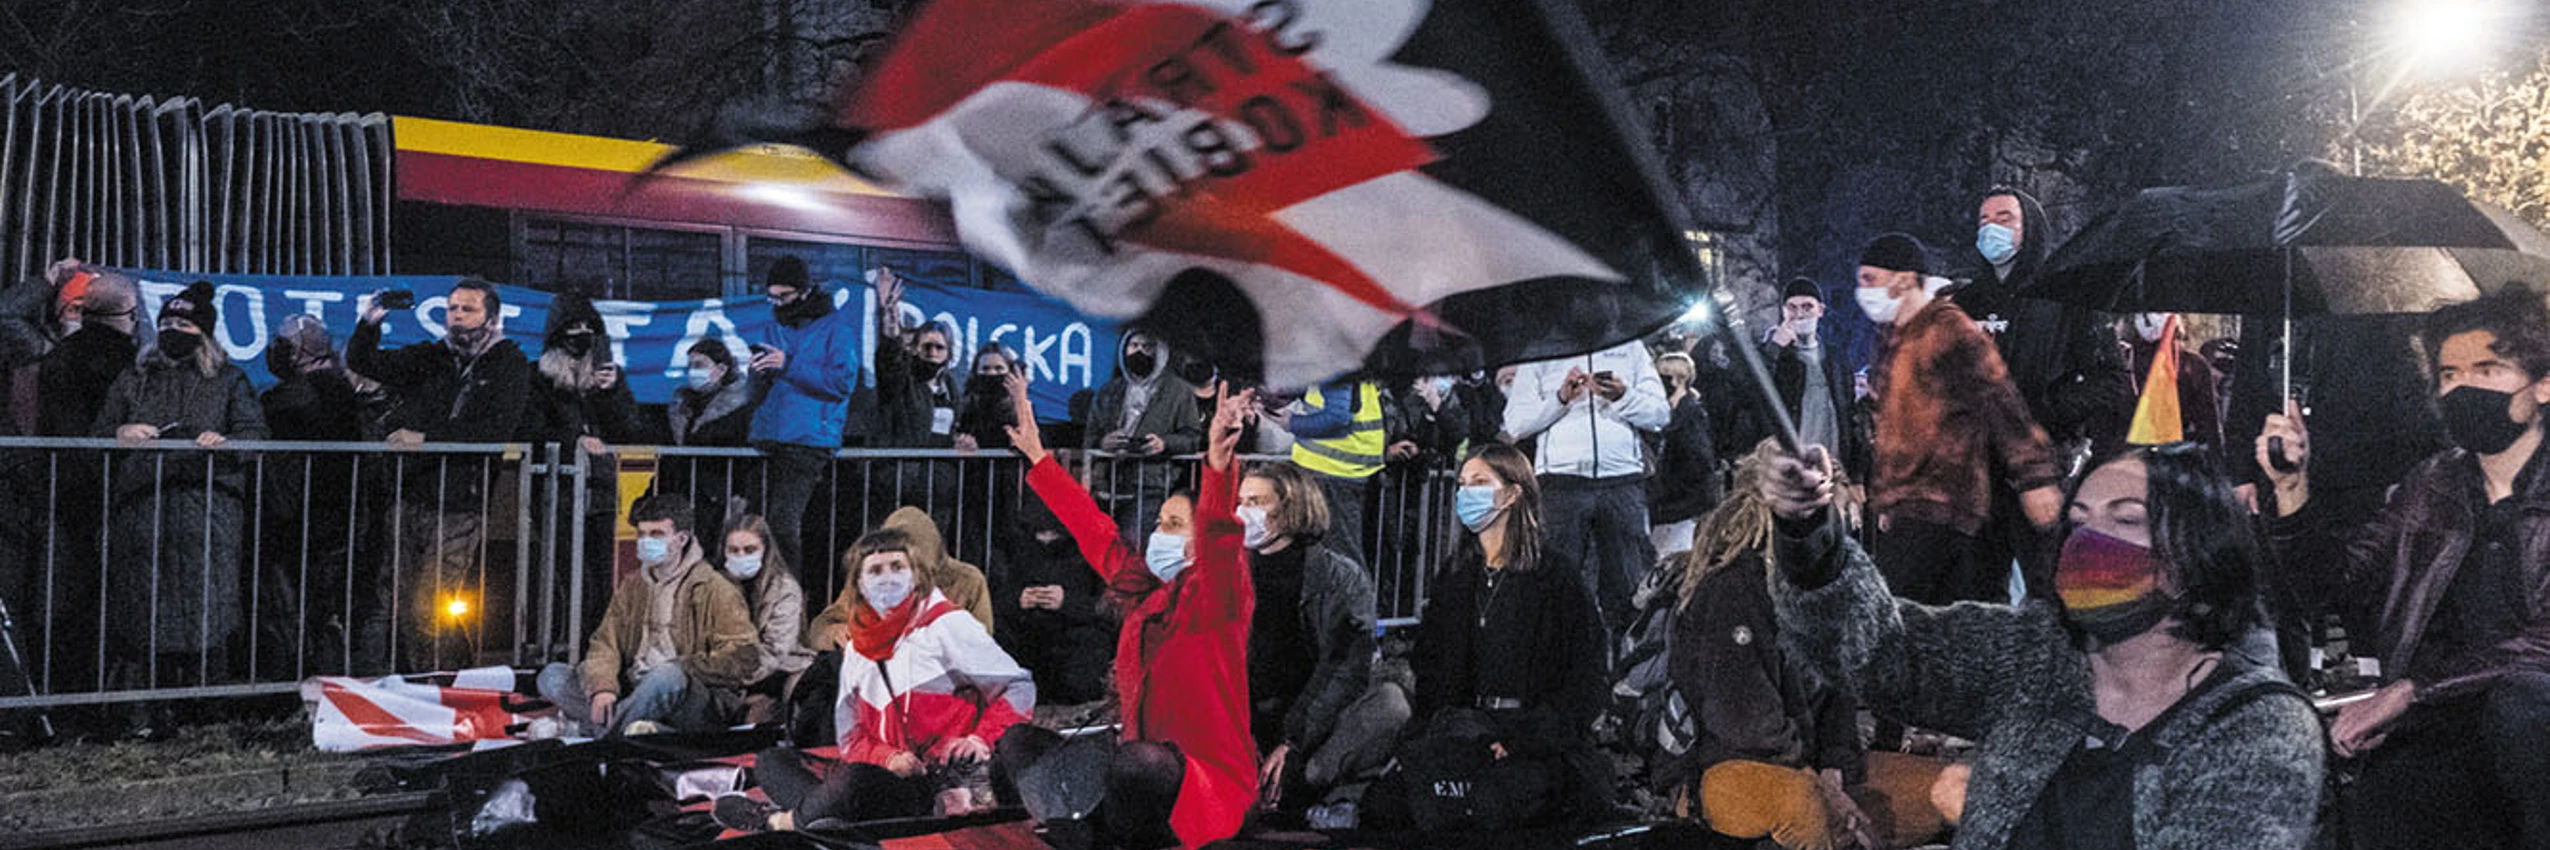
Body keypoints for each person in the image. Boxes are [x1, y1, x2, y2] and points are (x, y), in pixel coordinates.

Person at [1762, 440, 2324, 849]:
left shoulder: (2259, 725)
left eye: (2125, 520)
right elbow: (1883, 652)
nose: (2090, 542)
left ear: (2197, 550)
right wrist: (1810, 536)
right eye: (2078, 523)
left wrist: (1983, 810)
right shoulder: (2036, 653)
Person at [2257, 286, 2550, 850]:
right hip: (2436, 727)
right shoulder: (2433, 484)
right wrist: (2292, 489)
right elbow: (2333, 587)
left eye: (2487, 369)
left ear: (2541, 385)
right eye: (2448, 374)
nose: (2463, 387)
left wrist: (2412, 691)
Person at [1007, 373, 1259, 848]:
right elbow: (1095, 530)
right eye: (1160, 522)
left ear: (1197, 539)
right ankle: (1083, 828)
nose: (1160, 533)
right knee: (1020, 743)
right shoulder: (1143, 589)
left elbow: (1222, 541)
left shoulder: (1220, 594)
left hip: (1205, 785)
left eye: (1175, 524)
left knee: (1139, 762)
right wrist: (1040, 459)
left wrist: (1219, 465)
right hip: (1137, 777)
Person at [1673, 443, 1913, 850]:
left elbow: (1839, 698)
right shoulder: (1732, 587)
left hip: (1812, 765)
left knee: (1951, 787)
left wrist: (1835, 767)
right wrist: (1817, 781)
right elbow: (1745, 723)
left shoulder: (1821, 589)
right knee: (1804, 806)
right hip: (1729, 766)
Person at [717, 526, 1036, 831]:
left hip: (943, 782)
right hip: (890, 778)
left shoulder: (948, 625)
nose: (888, 579)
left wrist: (978, 739)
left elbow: (1019, 687)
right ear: (858, 582)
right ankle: (832, 816)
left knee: (853, 783)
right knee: (772, 761)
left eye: (897, 567)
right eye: (876, 570)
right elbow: (851, 737)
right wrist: (889, 757)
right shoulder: (857, 646)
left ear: (916, 574)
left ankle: (783, 822)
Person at [1366, 444, 1610, 833]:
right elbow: (1430, 666)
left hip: (1531, 738)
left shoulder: (1556, 577)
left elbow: (1585, 676)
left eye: (1480, 482)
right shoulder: (1458, 574)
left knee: (1496, 806)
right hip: (1464, 729)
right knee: (1387, 804)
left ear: (1513, 493)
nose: (1466, 493)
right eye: (1462, 483)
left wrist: (1524, 738)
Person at [1855, 232, 2063, 605]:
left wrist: (2035, 477)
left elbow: (2000, 399)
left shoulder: (1946, 328)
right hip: (1910, 506)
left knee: (1909, 618)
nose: (1863, 290)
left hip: (1945, 500)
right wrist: (1886, 499)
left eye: (1870, 278)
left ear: (1902, 279)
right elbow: (1891, 430)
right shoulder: (1892, 339)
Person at [347, 278, 531, 670]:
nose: (458, 317)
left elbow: (493, 431)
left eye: (468, 309)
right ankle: (411, 688)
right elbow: (365, 363)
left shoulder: (509, 365)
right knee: (396, 603)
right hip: (412, 494)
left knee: (431, 609)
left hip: (460, 503)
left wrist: (427, 438)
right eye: (452, 309)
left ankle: (442, 689)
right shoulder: (432, 357)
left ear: (492, 318)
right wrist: (370, 321)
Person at [93, 282, 269, 690]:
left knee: (207, 612)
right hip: (143, 511)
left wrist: (225, 443)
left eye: (183, 323)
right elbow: (98, 432)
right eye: (167, 321)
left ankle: (206, 712)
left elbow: (255, 434)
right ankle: (143, 710)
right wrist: (120, 432)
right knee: (143, 612)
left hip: (207, 513)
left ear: (203, 332)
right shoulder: (134, 378)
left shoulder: (229, 380)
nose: (173, 330)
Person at [1235, 460, 1399, 818]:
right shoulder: (1230, 572)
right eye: (1241, 500)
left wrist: (1291, 742)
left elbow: (1345, 669)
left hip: (1311, 722)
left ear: (1291, 507)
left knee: (1390, 704)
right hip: (1243, 721)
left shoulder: (1340, 577)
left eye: (1257, 502)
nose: (1242, 512)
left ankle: (1328, 790)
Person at [537, 494, 759, 735]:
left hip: (690, 696)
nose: (646, 541)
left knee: (666, 675)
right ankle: (633, 728)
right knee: (552, 676)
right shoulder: (633, 585)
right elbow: (605, 644)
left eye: (657, 535)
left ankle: (598, 734)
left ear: (682, 539)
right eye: (642, 534)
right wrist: (603, 688)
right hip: (634, 686)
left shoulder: (716, 589)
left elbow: (743, 657)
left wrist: (684, 666)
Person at [1955, 186, 2136, 466]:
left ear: (2031, 229)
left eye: (2005, 220)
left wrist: (2046, 412)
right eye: (1984, 221)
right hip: (1971, 461)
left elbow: (2110, 378)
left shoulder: (2069, 296)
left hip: (2043, 457)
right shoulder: (1965, 301)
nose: (1992, 229)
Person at [1502, 338, 1672, 632]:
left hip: (1622, 481)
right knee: (1555, 588)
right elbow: (1516, 423)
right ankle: (1556, 668)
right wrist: (1560, 399)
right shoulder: (1541, 351)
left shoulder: (1631, 346)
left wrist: (1623, 396)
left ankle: (1625, 668)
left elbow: (1660, 414)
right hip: (1561, 483)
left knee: (1630, 590)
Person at [526, 292, 642, 623]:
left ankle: (596, 651)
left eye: (587, 326)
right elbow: (530, 428)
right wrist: (573, 441)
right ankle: (568, 648)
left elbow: (630, 431)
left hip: (602, 494)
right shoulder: (540, 377)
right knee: (573, 582)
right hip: (557, 496)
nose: (581, 333)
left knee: (604, 582)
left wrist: (613, 393)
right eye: (573, 326)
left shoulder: (607, 377)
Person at [748, 255, 861, 572]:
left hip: (809, 438)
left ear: (805, 291)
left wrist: (787, 365)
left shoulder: (837, 329)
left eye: (784, 296)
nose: (778, 302)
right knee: (756, 524)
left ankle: (788, 599)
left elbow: (842, 382)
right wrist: (760, 373)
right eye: (773, 296)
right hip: (773, 436)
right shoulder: (775, 326)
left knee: (782, 524)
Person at [810, 506, 995, 650]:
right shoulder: (872, 581)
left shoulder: (968, 580)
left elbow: (982, 644)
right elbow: (819, 628)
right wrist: (834, 632)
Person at [990, 495, 1115, 706]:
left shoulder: (1091, 553)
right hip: (1026, 637)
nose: (1046, 540)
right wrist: (1019, 599)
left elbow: (1108, 610)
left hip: (1075, 640)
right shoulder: (1017, 546)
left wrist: (1067, 602)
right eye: (1041, 533)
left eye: (1053, 534)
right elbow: (996, 599)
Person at [1749, 277, 1872, 484]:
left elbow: (1850, 418)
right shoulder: (1774, 356)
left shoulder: (1836, 359)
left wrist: (1856, 476)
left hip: (1834, 471)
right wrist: (1775, 348)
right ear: (1783, 311)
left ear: (1820, 310)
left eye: (1807, 307)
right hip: (1790, 473)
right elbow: (1752, 394)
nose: (1800, 314)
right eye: (1792, 307)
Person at [1085, 327, 1201, 535]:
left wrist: (1164, 444)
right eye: (1134, 346)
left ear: (1160, 352)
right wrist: (1103, 443)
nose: (1139, 352)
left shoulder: (1179, 392)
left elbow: (1192, 438)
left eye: (1147, 347)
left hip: (1152, 484)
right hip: (1108, 483)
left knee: (1134, 545)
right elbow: (1090, 436)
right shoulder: (1109, 391)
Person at [662, 338, 763, 538]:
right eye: (690, 365)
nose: (693, 371)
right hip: (685, 493)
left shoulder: (742, 406)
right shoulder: (683, 404)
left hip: (722, 497)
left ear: (721, 368)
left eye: (699, 365)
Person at [718, 514, 813, 725]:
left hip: (778, 668)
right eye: (733, 550)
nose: (741, 556)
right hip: (727, 673)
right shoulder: (714, 585)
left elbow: (776, 649)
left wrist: (740, 684)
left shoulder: (785, 588)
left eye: (750, 550)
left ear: (766, 550)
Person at [1289, 379, 1387, 563]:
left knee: (1339, 559)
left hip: (1328, 472)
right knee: (1333, 557)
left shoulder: (1333, 359)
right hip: (1344, 472)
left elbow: (1337, 416)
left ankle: (1355, 592)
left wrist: (1290, 423)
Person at [1645, 352, 1719, 563]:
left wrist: (1670, 488)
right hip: (1670, 508)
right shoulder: (1668, 414)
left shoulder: (1691, 416)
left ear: (1675, 379)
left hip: (1682, 508)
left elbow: (1700, 461)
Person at [2123, 313, 2225, 454]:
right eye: (2144, 312)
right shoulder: (2123, 361)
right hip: (2128, 458)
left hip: (2176, 458)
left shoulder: (2192, 364)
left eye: (2158, 311)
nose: (2149, 318)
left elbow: (2209, 428)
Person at [954, 343, 1021, 452]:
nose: (992, 373)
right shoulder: (966, 406)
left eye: (998, 368)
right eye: (985, 368)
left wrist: (1019, 401)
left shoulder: (1021, 407)